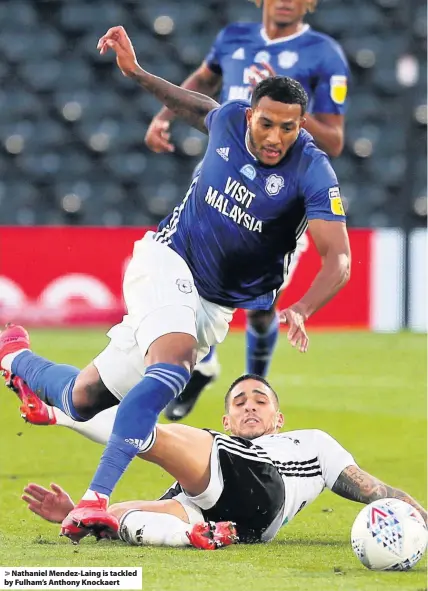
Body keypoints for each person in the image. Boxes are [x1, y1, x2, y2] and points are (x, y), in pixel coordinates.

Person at [0, 25, 351, 542]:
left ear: (301, 125)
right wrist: (137, 73)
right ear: (249, 114)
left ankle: (14, 358)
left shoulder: (312, 172)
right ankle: (95, 502)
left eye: (289, 128)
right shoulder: (228, 120)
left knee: (83, 398)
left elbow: (338, 260)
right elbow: (192, 103)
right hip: (167, 259)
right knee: (172, 367)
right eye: (267, 124)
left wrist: (304, 308)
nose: (276, 137)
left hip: (214, 306)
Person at [145, 0, 349, 421]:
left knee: (260, 309)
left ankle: (255, 393)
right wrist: (164, 116)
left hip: (278, 199)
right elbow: (203, 81)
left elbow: (334, 141)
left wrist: (280, 117)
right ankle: (200, 365)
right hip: (222, 175)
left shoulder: (324, 54)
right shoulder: (232, 38)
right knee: (199, 269)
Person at [19, 375, 427, 550]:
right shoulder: (213, 448)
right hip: (235, 523)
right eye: (240, 403)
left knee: (147, 432)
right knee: (120, 514)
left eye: (260, 401)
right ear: (227, 421)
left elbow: (375, 491)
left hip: (266, 486)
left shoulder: (312, 442)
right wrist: (76, 514)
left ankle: (59, 410)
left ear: (278, 419)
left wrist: (419, 516)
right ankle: (193, 535)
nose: (251, 407)